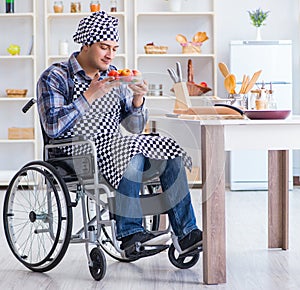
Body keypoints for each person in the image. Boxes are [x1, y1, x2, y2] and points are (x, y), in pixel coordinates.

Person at [37, 11, 202, 259]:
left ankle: (186, 233)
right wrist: (88, 96)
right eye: (104, 47)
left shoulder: (114, 74)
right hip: (73, 153)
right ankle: (130, 233)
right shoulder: (56, 76)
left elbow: (134, 128)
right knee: (131, 151)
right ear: (85, 43)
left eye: (114, 48)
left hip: (114, 148)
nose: (110, 55)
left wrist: (138, 99)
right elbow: (52, 127)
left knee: (169, 150)